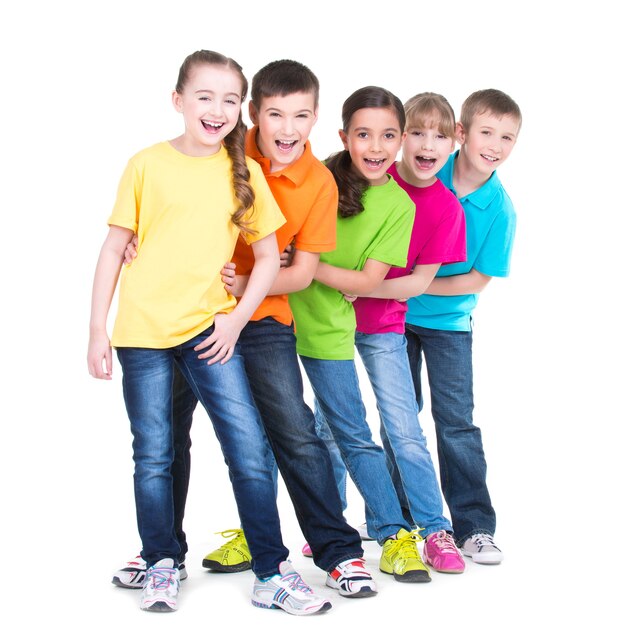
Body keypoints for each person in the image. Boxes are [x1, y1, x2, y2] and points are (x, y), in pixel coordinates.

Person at [114, 59, 377, 603]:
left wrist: (242, 295)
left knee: (291, 431)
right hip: (186, 318)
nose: (286, 129)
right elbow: (166, 208)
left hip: (260, 319)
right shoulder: (224, 143)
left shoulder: (316, 182)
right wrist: (137, 242)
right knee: (166, 437)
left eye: (300, 117)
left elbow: (300, 271)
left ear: (315, 119)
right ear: (253, 113)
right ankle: (162, 551)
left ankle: (336, 551)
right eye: (274, 114)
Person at [289, 86, 432, 583]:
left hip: (328, 328)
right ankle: (259, 530)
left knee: (353, 435)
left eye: (388, 135)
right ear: (344, 136)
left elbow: (369, 282)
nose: (376, 146)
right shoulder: (316, 179)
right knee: (271, 440)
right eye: (364, 134)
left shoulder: (398, 205)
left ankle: (394, 535)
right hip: (273, 320)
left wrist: (304, 266)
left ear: (400, 140)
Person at [345, 92, 468, 574]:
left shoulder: (444, 208)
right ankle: (334, 526)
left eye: (439, 135)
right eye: (416, 131)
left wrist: (364, 289)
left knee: (404, 428)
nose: (426, 143)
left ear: (453, 141)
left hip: (383, 325)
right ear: (399, 140)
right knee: (331, 428)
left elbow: (419, 282)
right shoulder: (369, 173)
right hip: (331, 321)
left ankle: (435, 528)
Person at [400, 88, 522, 565]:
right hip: (395, 320)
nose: (495, 144)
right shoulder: (426, 170)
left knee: (456, 424)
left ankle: (473, 526)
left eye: (507, 137)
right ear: (461, 134)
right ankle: (404, 522)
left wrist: (412, 285)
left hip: (450, 324)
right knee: (400, 420)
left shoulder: (500, 209)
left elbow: (477, 279)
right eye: (486, 132)